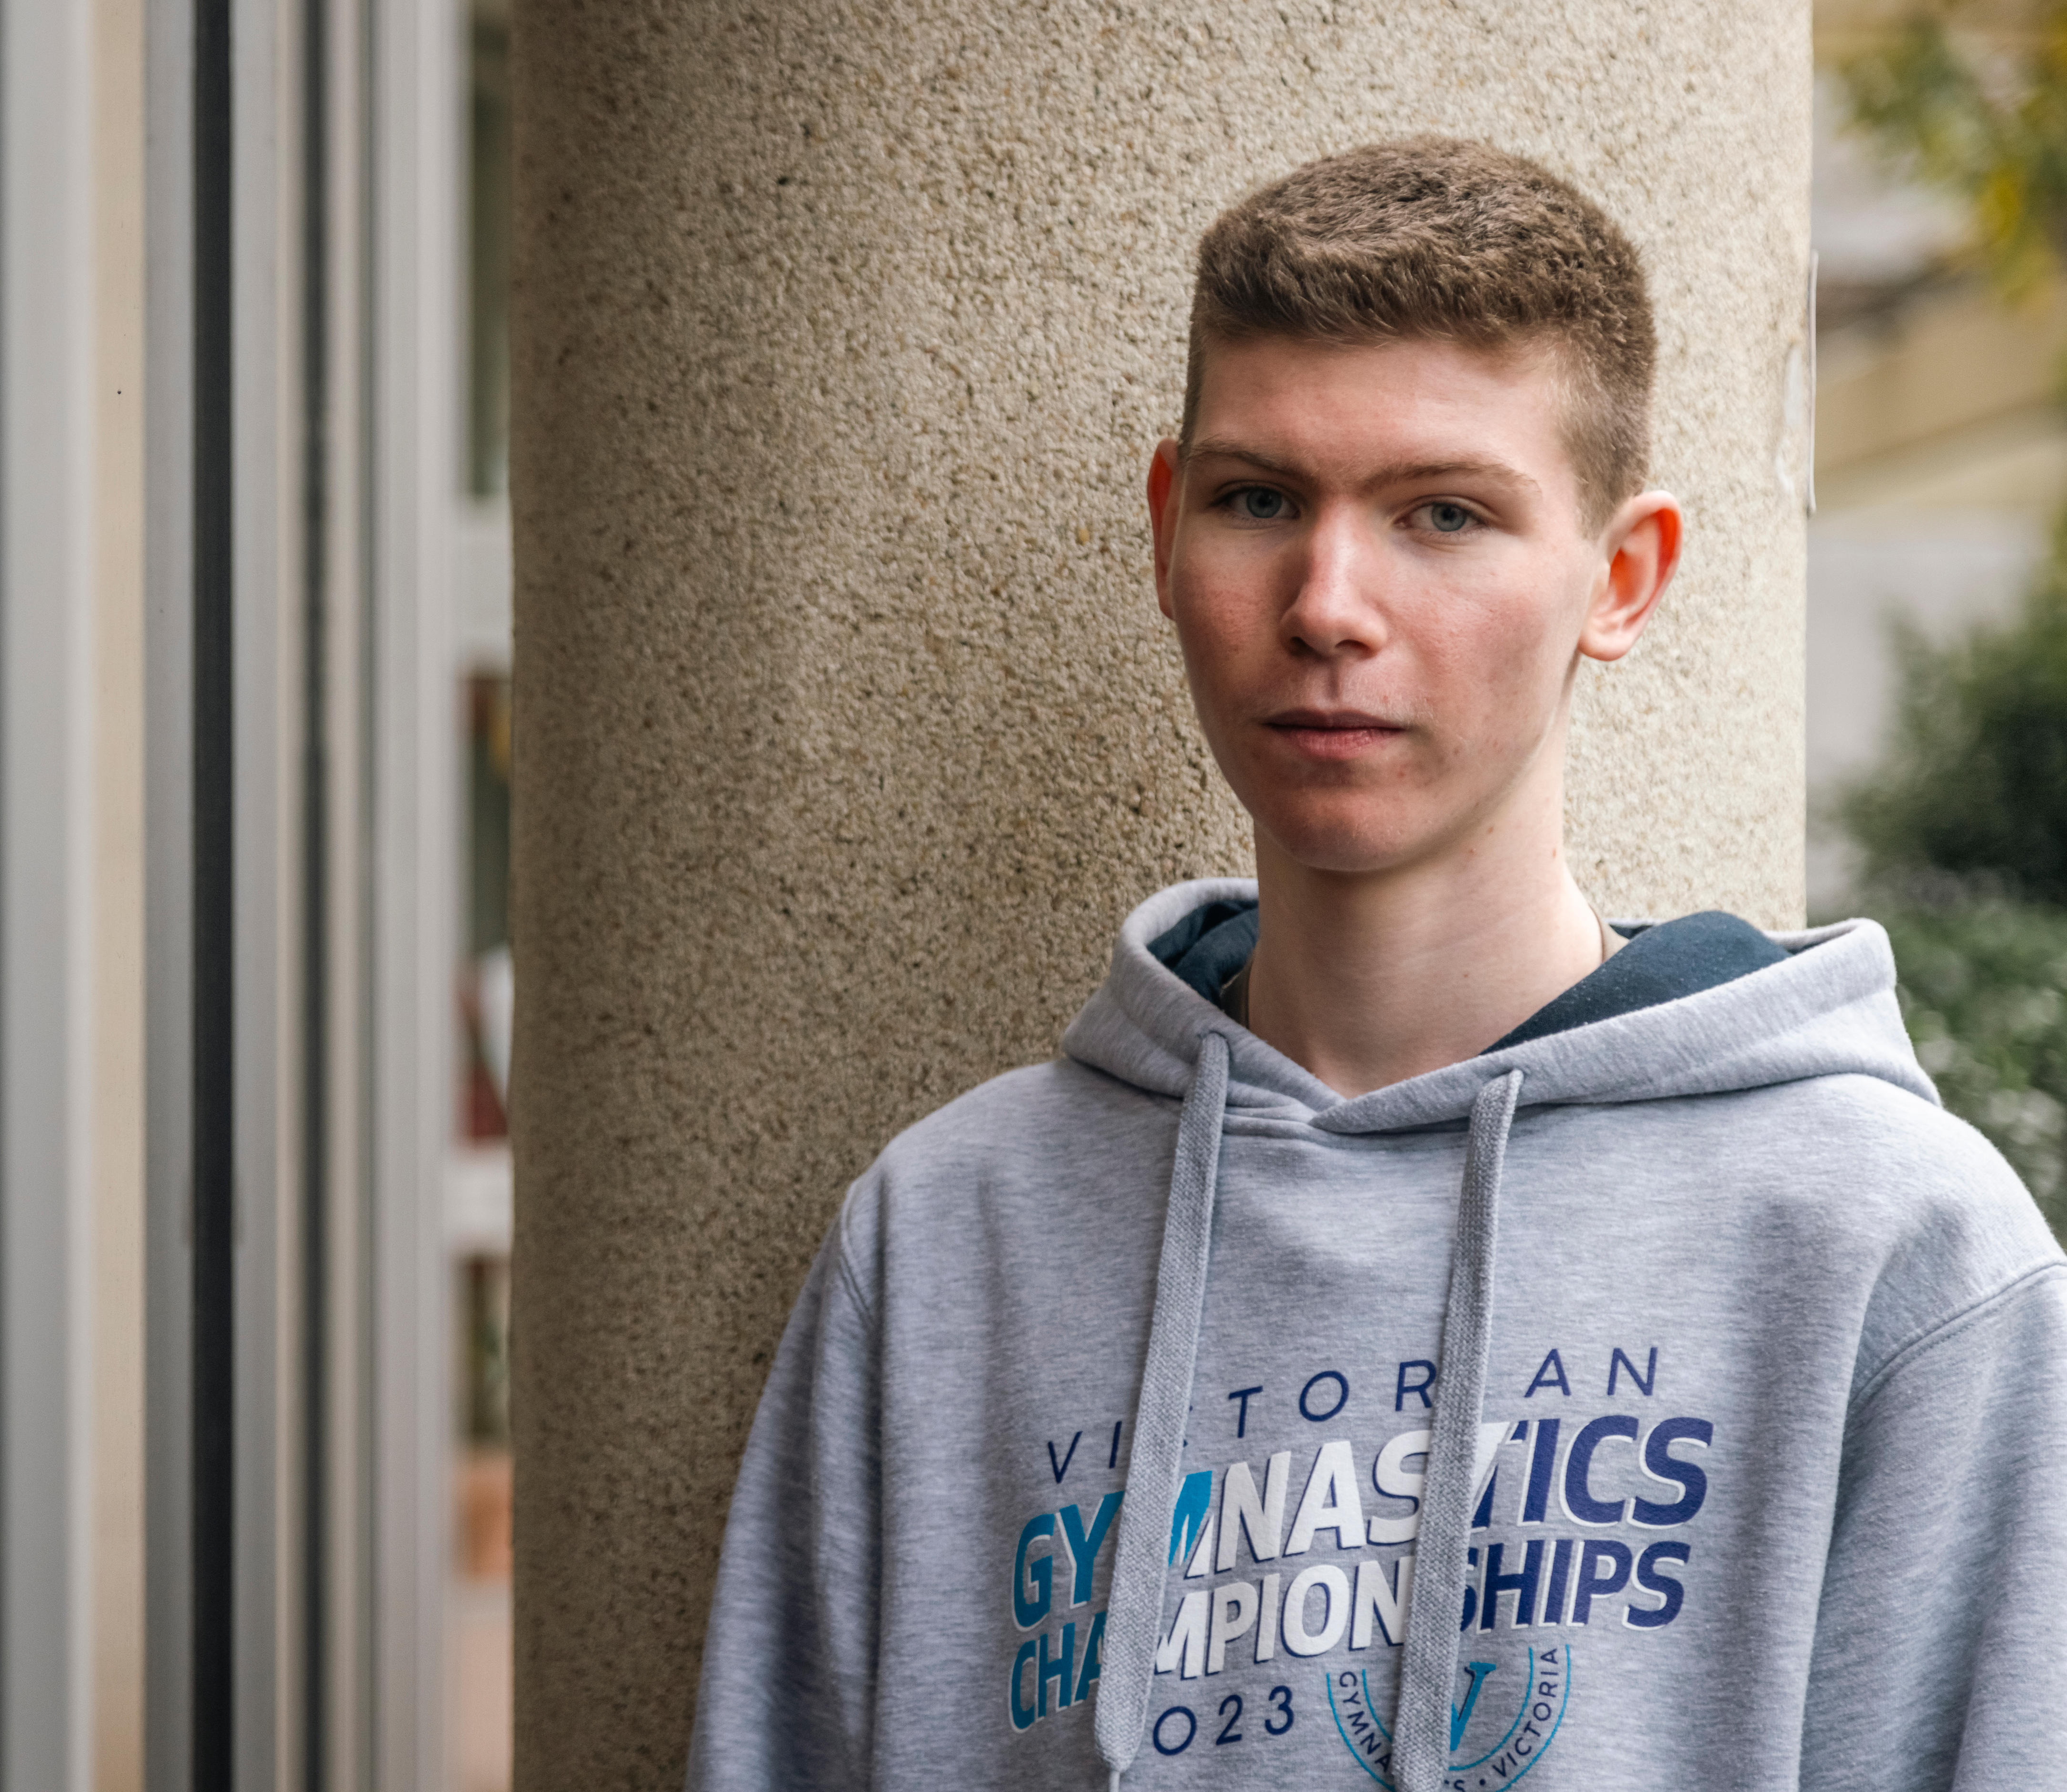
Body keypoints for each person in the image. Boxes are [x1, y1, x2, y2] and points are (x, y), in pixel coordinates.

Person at [684, 138, 2067, 1792]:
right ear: (1165, 530)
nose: (1329, 603)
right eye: (1260, 500)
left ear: (1619, 581)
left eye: (1445, 515)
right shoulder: (944, 1238)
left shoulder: (1888, 1245)